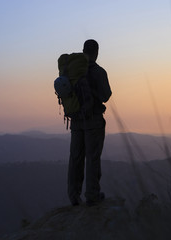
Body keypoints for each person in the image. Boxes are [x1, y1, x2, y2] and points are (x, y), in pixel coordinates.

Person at [68, 39, 112, 206]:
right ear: (97, 52)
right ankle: (92, 194)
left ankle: (73, 195)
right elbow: (105, 96)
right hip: (93, 121)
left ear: (83, 50)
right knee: (92, 158)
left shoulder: (74, 72)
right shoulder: (98, 72)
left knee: (75, 158)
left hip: (76, 121)